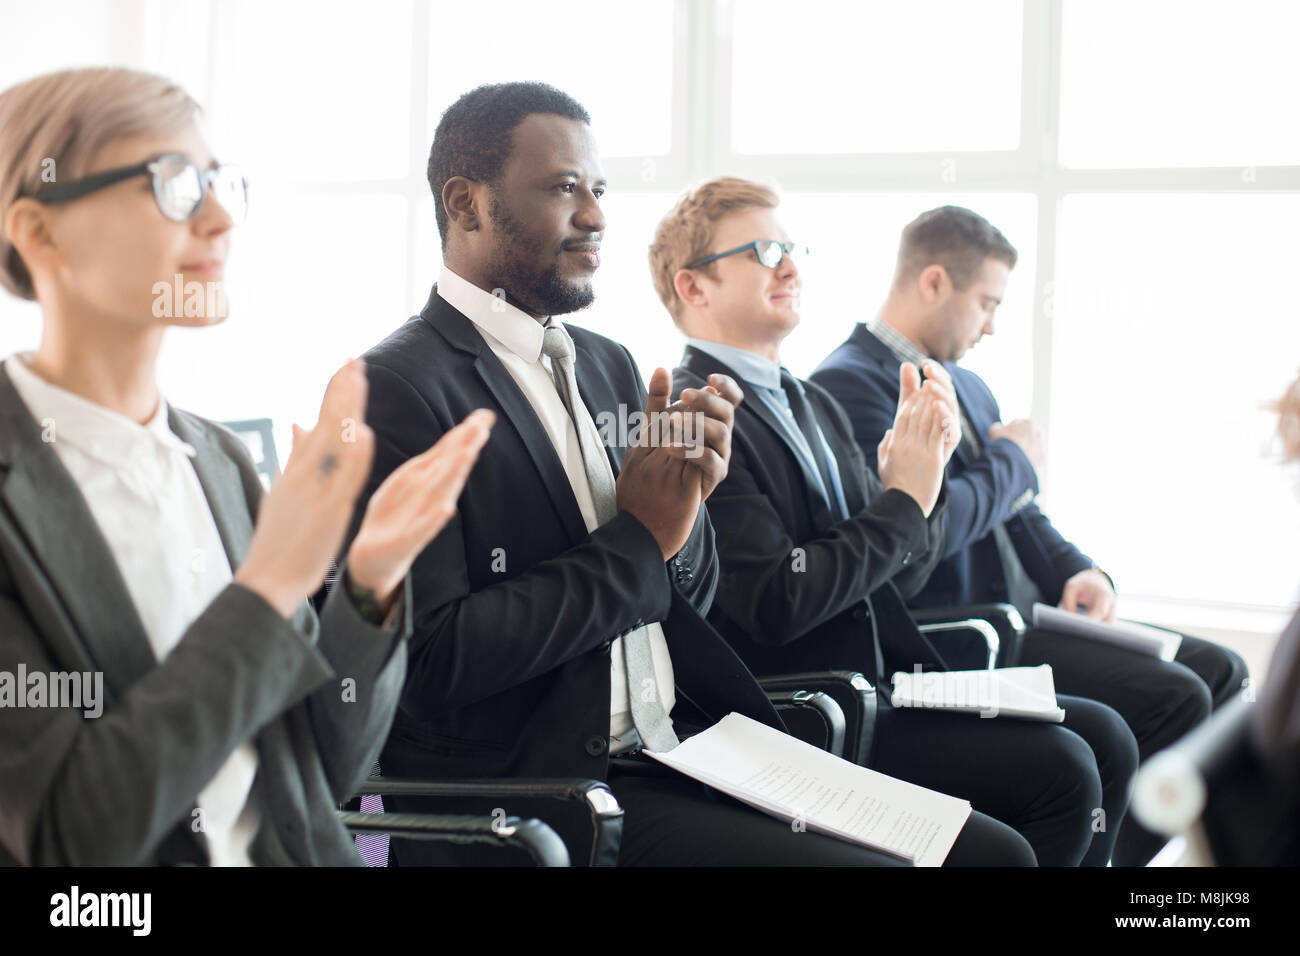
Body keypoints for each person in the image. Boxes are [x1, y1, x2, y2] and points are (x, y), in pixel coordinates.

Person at [348, 82, 1022, 866]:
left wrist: (690, 512)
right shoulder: (396, 388)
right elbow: (431, 664)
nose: (596, 215)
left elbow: (686, 593)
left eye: (598, 189)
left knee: (992, 852)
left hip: (687, 740)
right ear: (466, 205)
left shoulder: (607, 362)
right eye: (565, 188)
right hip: (557, 795)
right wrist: (642, 537)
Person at [0, 67, 492, 866]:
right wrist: (268, 584)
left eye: (222, 183)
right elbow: (71, 842)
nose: (223, 218)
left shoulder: (220, 461)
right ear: (39, 231)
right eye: (174, 185)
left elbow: (321, 770)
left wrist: (368, 584)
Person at [654, 177, 1138, 866]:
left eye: (793, 248)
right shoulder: (695, 418)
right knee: (1062, 777)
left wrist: (921, 481)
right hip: (807, 710)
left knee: (1105, 738)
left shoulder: (811, 401)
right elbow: (776, 603)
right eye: (764, 251)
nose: (790, 266)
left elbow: (898, 570)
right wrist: (902, 501)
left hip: (881, 677)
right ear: (695, 288)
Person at [810, 204, 1249, 865]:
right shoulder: (848, 385)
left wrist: (1080, 570)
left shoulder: (970, 385)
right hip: (953, 631)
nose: (992, 326)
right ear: (934, 282)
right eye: (986, 302)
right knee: (1178, 698)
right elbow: (920, 533)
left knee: (1224, 671)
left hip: (1022, 613)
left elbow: (1020, 509)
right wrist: (1011, 461)